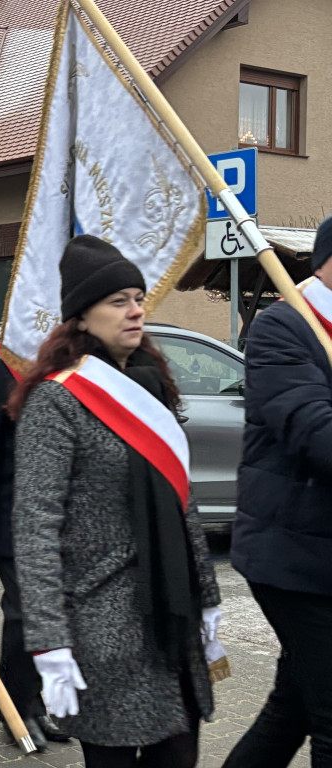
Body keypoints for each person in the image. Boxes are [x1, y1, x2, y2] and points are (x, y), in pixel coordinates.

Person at [8, 235, 222, 768]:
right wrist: (49, 643)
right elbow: (36, 528)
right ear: (81, 317)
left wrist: (209, 597)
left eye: (138, 297)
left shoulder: (150, 388)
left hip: (169, 616)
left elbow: (182, 504)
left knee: (180, 755)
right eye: (118, 300)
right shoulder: (57, 400)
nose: (136, 310)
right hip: (101, 628)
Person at [222, 217, 332, 767]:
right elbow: (314, 432)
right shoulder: (283, 328)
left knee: (292, 706)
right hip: (292, 554)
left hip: (324, 553)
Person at [0, 340, 69, 751]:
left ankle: (31, 701)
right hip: (11, 512)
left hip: (58, 515)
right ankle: (13, 705)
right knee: (27, 611)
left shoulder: (70, 358)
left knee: (51, 611)